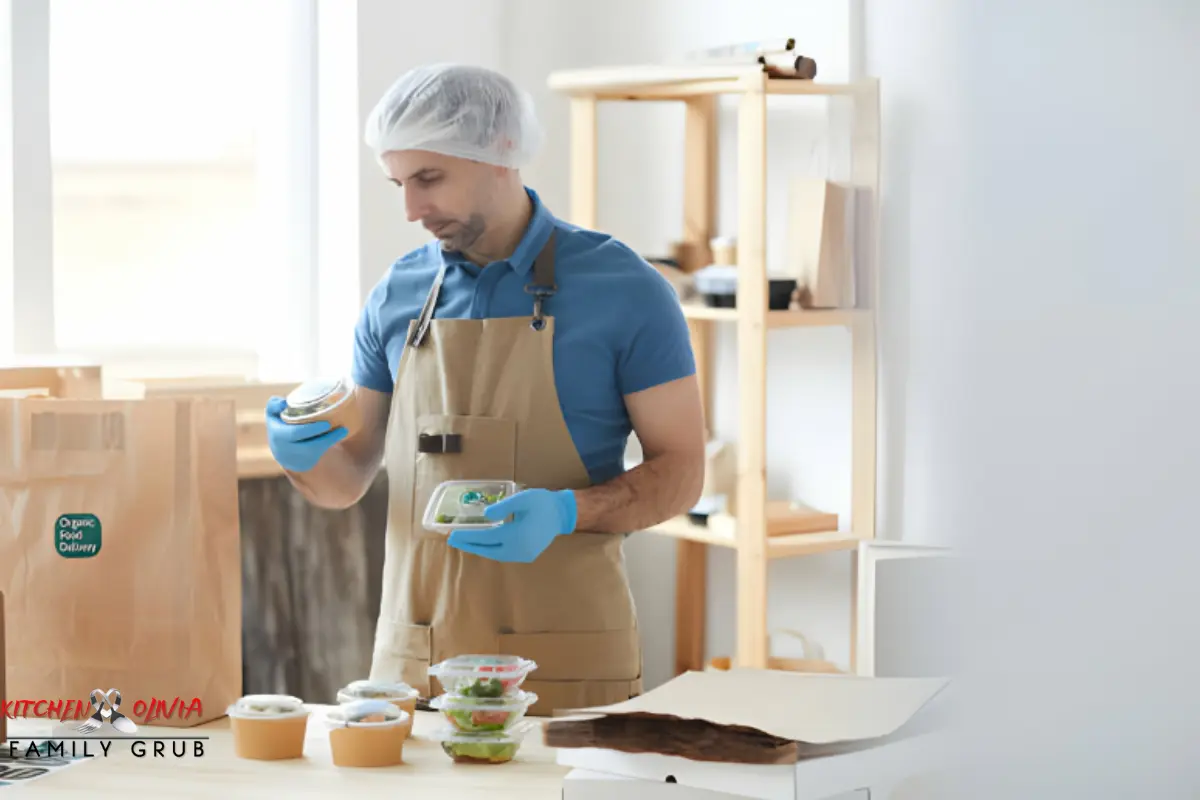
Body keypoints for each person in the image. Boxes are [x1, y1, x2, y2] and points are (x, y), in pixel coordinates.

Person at [264, 63, 705, 715]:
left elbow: (683, 472)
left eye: (428, 178)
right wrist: (303, 458)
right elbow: (347, 479)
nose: (411, 210)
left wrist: (564, 513)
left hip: (563, 670)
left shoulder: (626, 289)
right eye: (398, 183)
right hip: (415, 672)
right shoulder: (397, 294)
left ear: (500, 152)